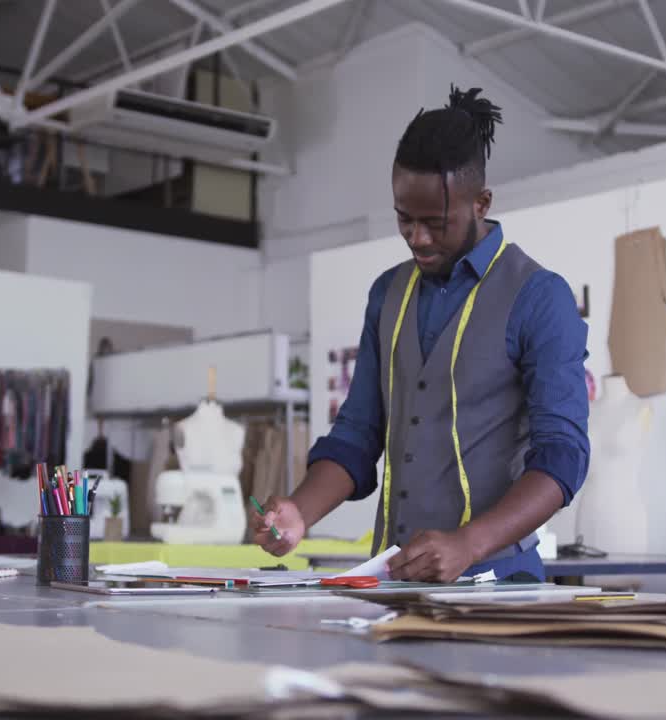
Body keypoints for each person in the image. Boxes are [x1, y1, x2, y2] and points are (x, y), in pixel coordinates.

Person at [250, 86, 589, 582]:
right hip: (394, 582)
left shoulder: (539, 297)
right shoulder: (387, 295)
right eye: (404, 220)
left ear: (481, 203)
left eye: (435, 223)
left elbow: (563, 455)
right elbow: (358, 434)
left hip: (498, 586)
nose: (418, 238)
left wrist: (469, 544)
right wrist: (300, 512)